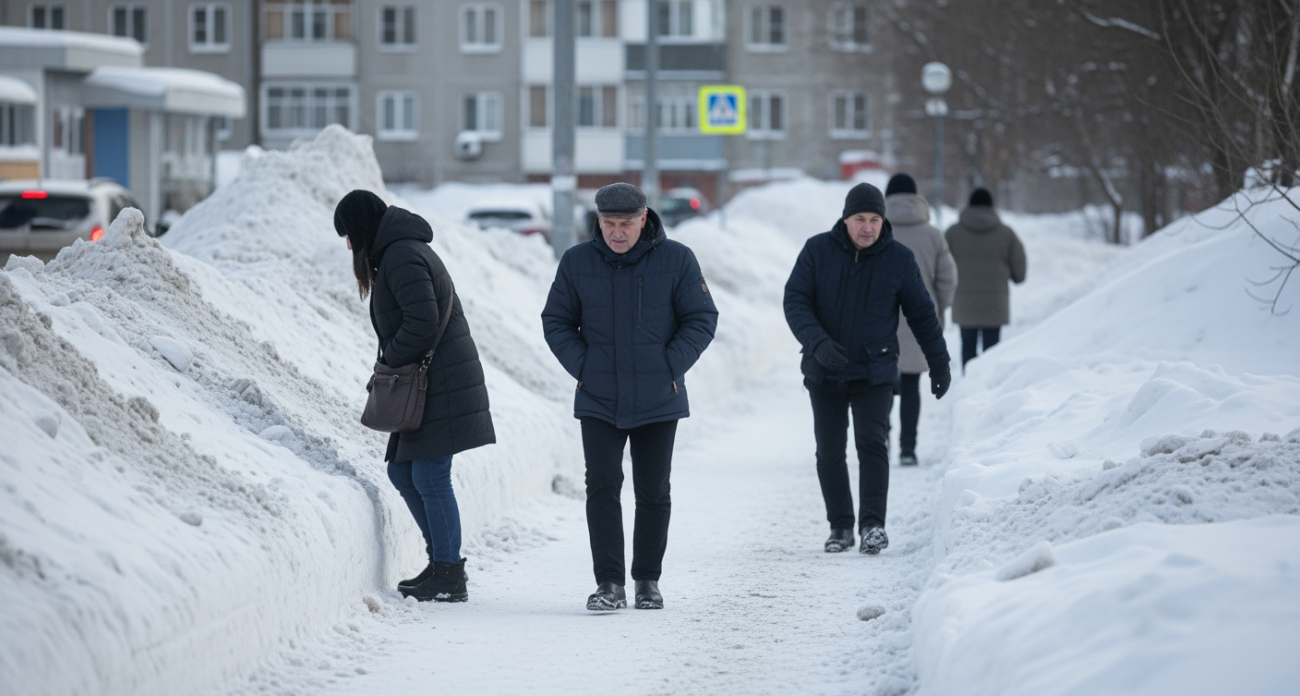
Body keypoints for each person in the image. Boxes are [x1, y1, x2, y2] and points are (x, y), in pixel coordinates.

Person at [541, 182, 717, 611]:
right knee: (602, 487)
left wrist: (668, 366)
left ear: (644, 219)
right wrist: (585, 367)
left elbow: (701, 318)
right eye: (609, 223)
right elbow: (556, 321)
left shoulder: (677, 259)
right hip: (599, 395)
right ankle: (609, 584)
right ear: (598, 222)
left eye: (626, 224)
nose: (617, 233)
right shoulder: (577, 261)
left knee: (653, 489)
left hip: (660, 395)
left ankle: (647, 581)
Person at [334, 189, 495, 603]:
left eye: (349, 236)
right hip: (432, 379)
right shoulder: (395, 252)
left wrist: (388, 359)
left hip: (440, 381)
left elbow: (421, 322)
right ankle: (441, 562)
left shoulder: (402, 255)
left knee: (428, 475)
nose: (349, 246)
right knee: (403, 473)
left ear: (362, 227)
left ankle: (448, 573)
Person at [783, 182, 951, 555]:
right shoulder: (817, 251)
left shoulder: (899, 259)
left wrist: (939, 363)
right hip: (825, 370)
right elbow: (795, 301)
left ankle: (872, 525)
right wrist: (818, 343)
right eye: (860, 219)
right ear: (845, 219)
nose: (867, 227)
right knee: (829, 451)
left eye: (874, 219)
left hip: (875, 370)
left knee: (873, 445)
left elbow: (922, 314)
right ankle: (840, 526)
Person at [884, 173, 958, 467]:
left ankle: (882, 440)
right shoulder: (932, 234)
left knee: (883, 384)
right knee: (912, 385)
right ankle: (908, 449)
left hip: (882, 319)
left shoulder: (876, 231)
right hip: (919, 319)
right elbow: (948, 278)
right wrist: (939, 308)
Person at [944, 187, 1026, 372]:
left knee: (968, 348)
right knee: (992, 352)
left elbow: (941, 267)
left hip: (965, 304)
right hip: (994, 306)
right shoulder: (1006, 234)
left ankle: (968, 390)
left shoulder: (953, 233)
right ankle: (989, 393)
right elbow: (1020, 273)